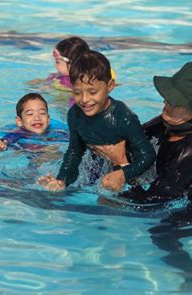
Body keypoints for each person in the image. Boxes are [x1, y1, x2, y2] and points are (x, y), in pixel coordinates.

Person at [95, 61, 192, 201]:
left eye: (175, 101)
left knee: (107, 203)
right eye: (168, 96)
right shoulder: (175, 121)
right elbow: (133, 141)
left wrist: (121, 162)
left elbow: (149, 203)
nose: (165, 102)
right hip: (175, 187)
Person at [37, 50, 156, 192]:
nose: (85, 100)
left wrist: (123, 174)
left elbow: (148, 156)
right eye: (77, 92)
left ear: (110, 86)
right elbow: (75, 152)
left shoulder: (123, 118)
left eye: (93, 92)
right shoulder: (75, 114)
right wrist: (62, 180)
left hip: (130, 173)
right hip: (97, 167)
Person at [0, 93, 68, 153]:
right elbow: (7, 140)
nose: (37, 118)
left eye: (42, 113)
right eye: (30, 114)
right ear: (19, 121)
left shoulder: (58, 133)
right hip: (26, 152)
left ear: (48, 119)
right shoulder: (18, 134)